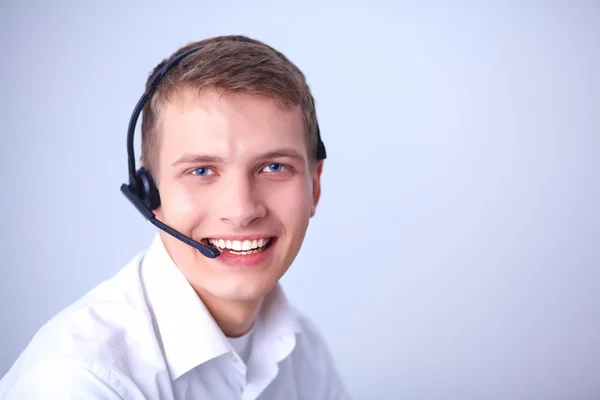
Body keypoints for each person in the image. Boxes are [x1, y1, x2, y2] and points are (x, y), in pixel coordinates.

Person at [0, 35, 351, 399]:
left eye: (274, 167)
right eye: (202, 171)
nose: (242, 211)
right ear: (149, 193)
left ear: (315, 186)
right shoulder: (80, 381)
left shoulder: (304, 350)